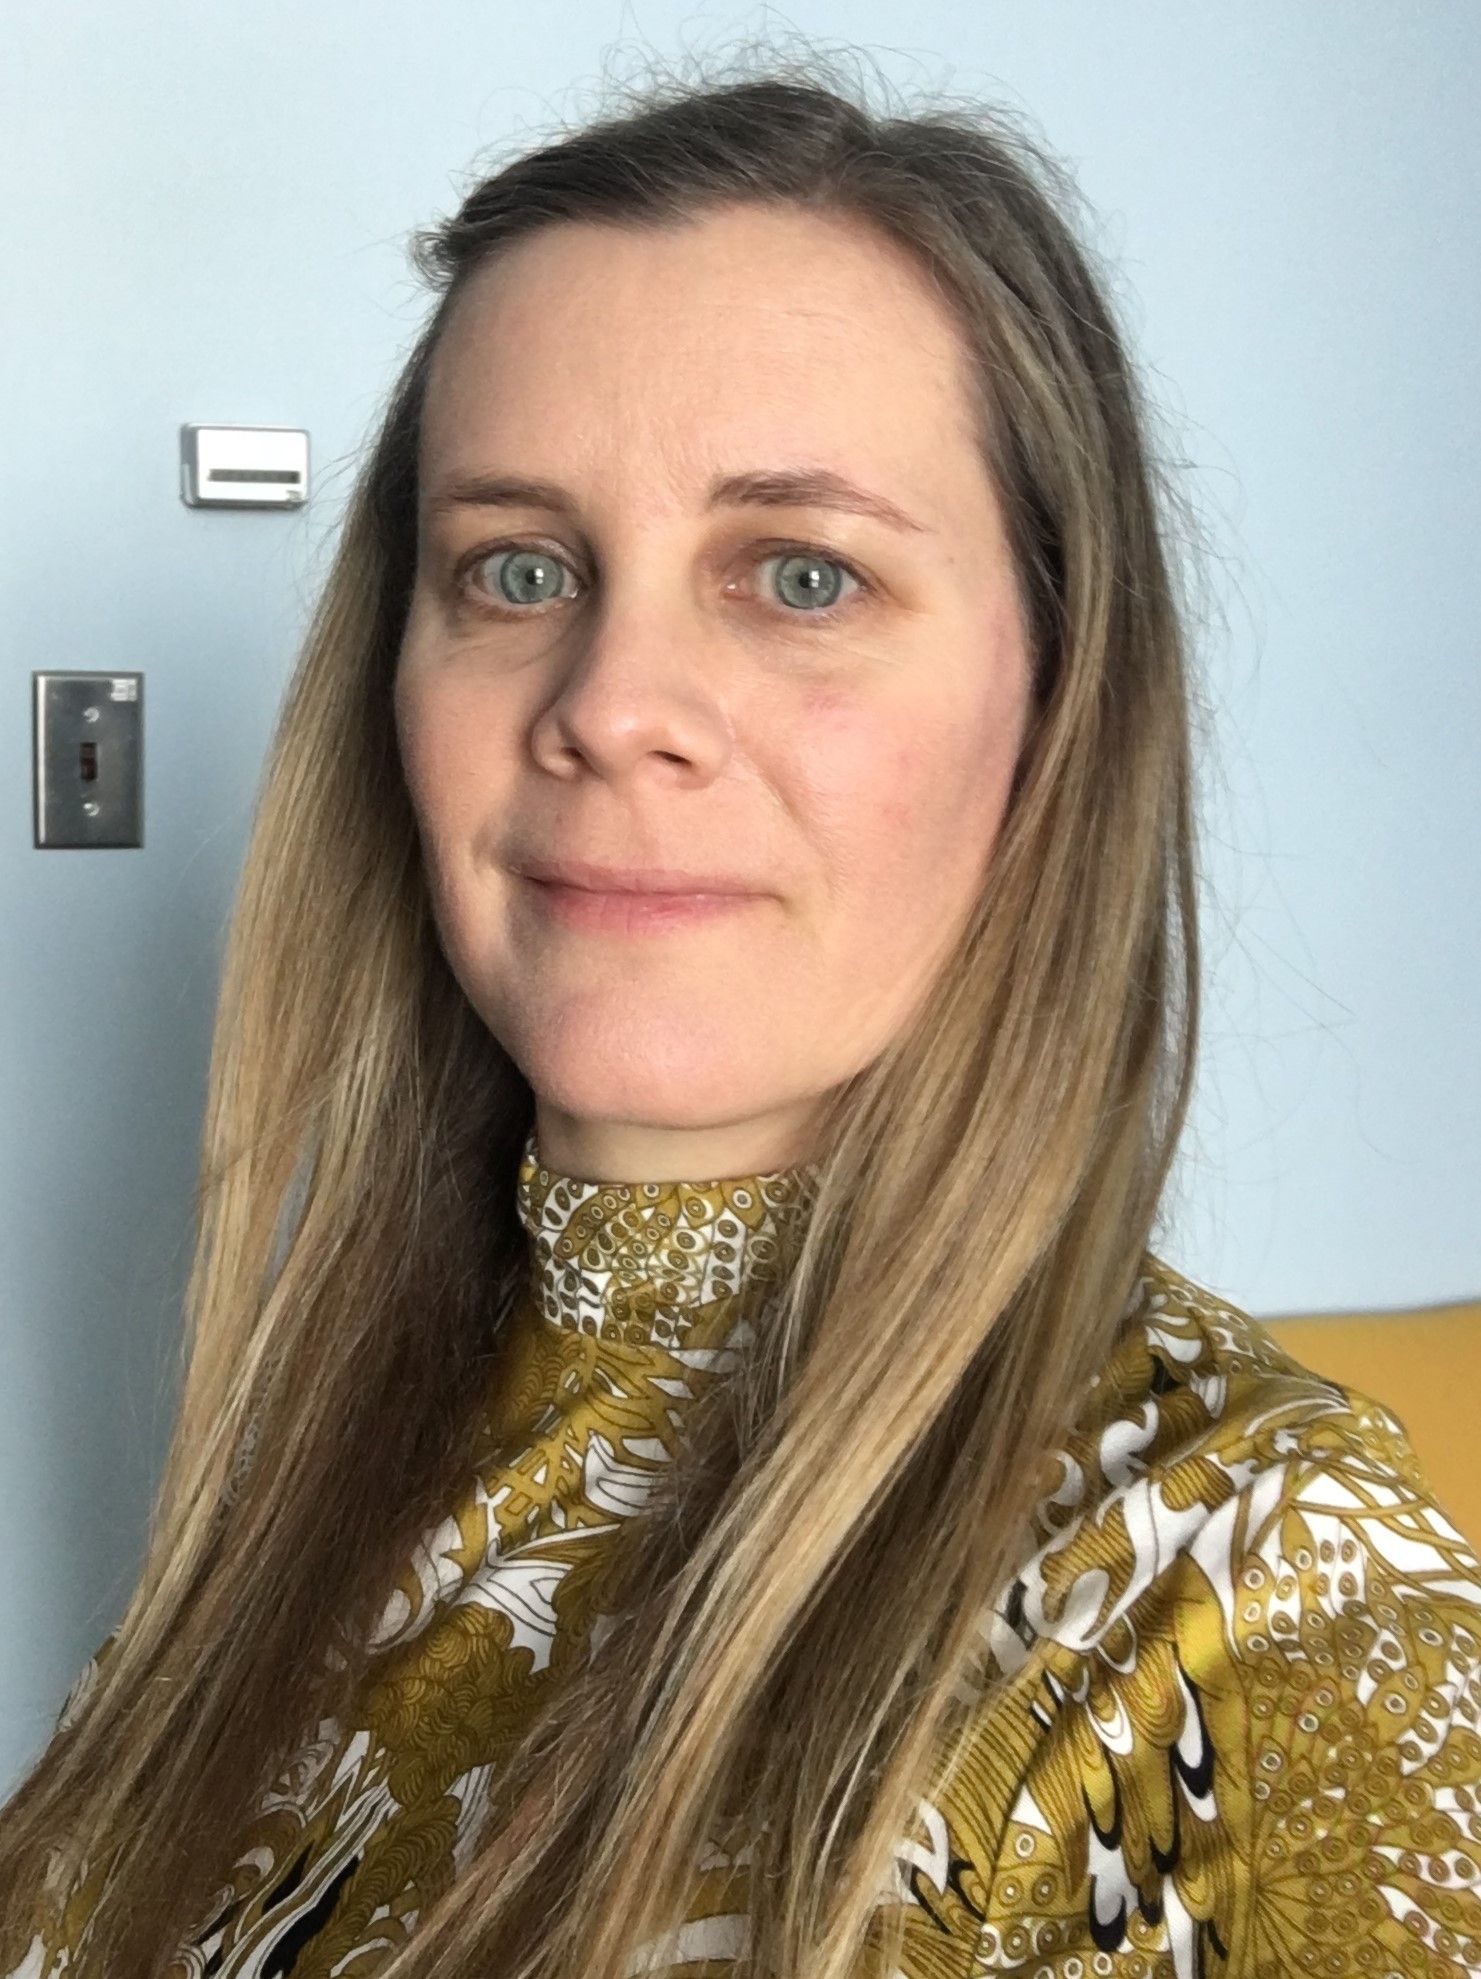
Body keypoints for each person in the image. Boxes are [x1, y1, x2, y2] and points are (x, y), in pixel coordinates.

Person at [4, 42, 1479, 1979]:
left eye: (799, 575)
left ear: (1055, 709)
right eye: (516, 567)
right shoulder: (314, 1453)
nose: (612, 700)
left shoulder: (1274, 1596)